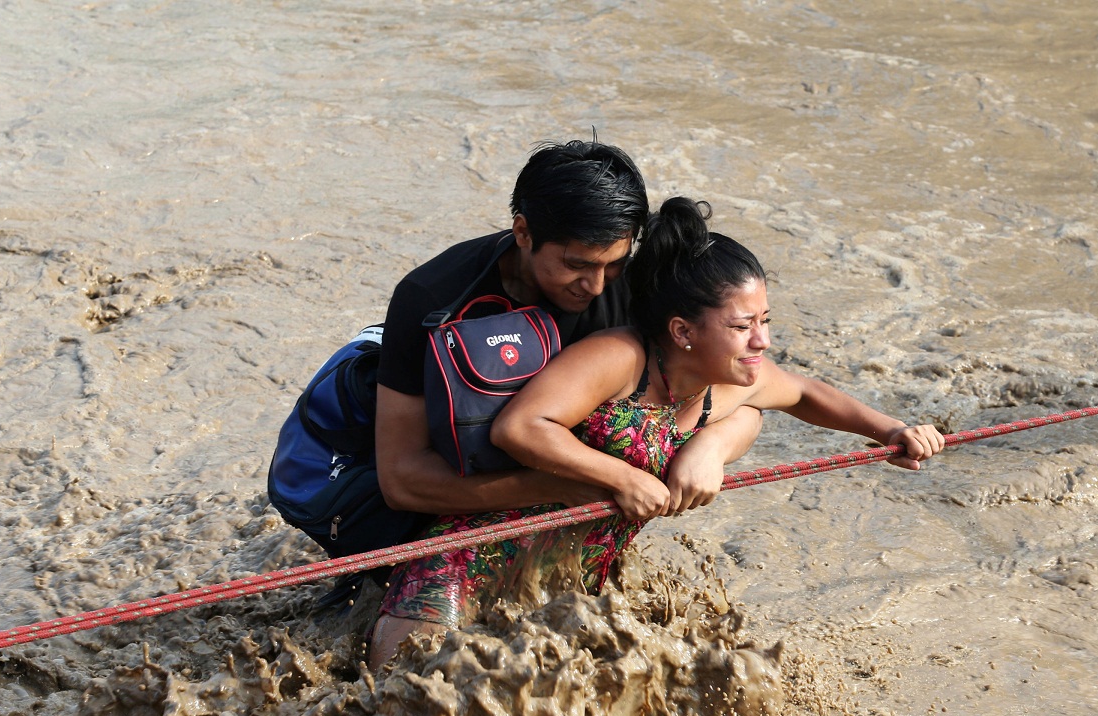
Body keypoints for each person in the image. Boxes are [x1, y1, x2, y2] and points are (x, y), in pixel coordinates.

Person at [367, 196, 943, 670]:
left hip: (568, 590)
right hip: (465, 564)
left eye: (765, 322)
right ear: (682, 331)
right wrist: (620, 477)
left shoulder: (727, 382)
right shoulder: (619, 358)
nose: (762, 342)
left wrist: (891, 430)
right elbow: (522, 426)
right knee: (408, 707)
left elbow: (804, 393)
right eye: (743, 326)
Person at [367, 144, 762, 663]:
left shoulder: (628, 292)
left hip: (580, 528)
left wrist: (712, 445)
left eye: (614, 265)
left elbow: (743, 391)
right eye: (577, 265)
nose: (595, 287)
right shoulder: (432, 298)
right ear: (524, 232)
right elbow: (400, 480)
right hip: (451, 514)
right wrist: (578, 485)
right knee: (403, 673)